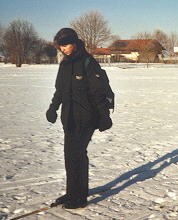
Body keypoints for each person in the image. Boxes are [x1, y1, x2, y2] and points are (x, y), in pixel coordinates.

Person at [46, 28, 112, 209]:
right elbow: (60, 90)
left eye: (65, 45)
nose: (62, 49)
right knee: (69, 156)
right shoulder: (65, 64)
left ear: (74, 43)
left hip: (87, 117)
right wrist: (53, 108)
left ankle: (80, 196)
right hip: (69, 118)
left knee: (77, 154)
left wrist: (104, 116)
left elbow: (98, 92)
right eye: (60, 46)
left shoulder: (88, 62)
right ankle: (71, 192)